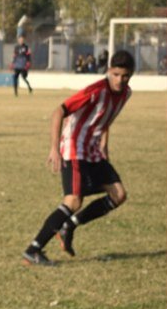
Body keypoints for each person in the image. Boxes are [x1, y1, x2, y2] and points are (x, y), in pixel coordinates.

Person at [22, 50, 135, 266]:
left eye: (125, 76)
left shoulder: (126, 93)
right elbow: (59, 111)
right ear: (109, 71)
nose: (120, 80)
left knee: (118, 194)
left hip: (92, 150)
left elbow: (105, 119)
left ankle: (69, 226)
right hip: (74, 148)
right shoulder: (95, 91)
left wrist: (104, 145)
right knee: (73, 200)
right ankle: (33, 250)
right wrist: (54, 148)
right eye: (116, 74)